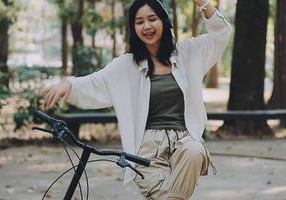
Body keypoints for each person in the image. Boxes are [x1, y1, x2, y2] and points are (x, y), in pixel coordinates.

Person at [43, 0, 232, 199]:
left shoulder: (188, 53)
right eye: (139, 22)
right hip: (146, 147)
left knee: (195, 151)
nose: (147, 26)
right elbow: (94, 83)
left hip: (185, 140)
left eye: (152, 19)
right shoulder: (126, 65)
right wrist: (67, 84)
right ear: (134, 28)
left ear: (164, 21)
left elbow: (220, 33)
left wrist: (202, 2)